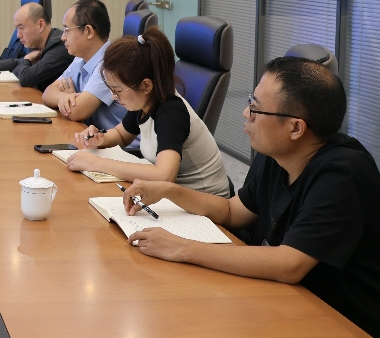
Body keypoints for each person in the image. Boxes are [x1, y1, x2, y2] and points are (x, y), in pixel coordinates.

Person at [122, 57, 380, 337]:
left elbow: (289, 264)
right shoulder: (280, 154)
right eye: (250, 102)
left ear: (296, 128)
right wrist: (169, 191)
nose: (246, 113)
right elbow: (233, 211)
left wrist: (182, 248)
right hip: (286, 300)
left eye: (256, 108)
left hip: (340, 319)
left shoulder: (342, 174)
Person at [65, 28, 230, 197]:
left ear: (146, 85)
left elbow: (164, 176)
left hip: (203, 201)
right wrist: (100, 138)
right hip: (174, 195)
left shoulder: (171, 112)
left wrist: (98, 164)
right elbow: (121, 135)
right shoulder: (144, 101)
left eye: (118, 91)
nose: (114, 97)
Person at [42, 0, 129, 137]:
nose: (62, 37)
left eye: (67, 30)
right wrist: (67, 98)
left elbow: (77, 111)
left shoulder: (110, 63)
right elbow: (47, 93)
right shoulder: (80, 59)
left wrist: (74, 103)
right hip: (96, 139)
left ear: (89, 31)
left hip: (122, 146)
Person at [0, 2, 72, 91]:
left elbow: (26, 78)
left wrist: (27, 59)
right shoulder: (41, 44)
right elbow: (17, 63)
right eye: (17, 29)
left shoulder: (60, 47)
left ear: (40, 25)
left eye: (21, 28)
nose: (18, 35)